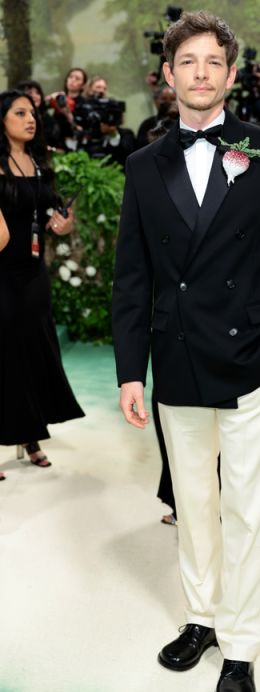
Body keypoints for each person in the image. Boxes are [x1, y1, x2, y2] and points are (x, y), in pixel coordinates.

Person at [110, 11, 260, 692]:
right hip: (176, 360)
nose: (200, 73)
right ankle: (200, 617)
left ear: (232, 75)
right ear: (167, 77)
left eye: (212, 62)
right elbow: (131, 276)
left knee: (250, 509)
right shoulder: (143, 166)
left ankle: (242, 647)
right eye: (186, 62)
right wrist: (128, 370)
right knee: (192, 503)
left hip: (251, 358)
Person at [0, 90, 84, 481]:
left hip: (34, 274)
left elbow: (53, 213)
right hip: (1, 273)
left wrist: (63, 224)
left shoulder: (38, 161)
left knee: (35, 350)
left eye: (32, 113)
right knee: (4, 355)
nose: (30, 119)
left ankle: (31, 435)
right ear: (2, 120)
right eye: (20, 113)